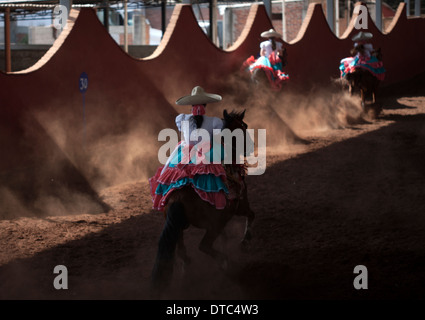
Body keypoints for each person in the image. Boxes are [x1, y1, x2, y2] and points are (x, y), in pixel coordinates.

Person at [149, 86, 229, 212]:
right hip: (206, 152)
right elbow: (216, 140)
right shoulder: (215, 121)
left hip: (185, 153)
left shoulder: (182, 119)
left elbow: (185, 136)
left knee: (167, 173)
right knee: (221, 173)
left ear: (190, 104)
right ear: (205, 104)